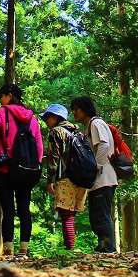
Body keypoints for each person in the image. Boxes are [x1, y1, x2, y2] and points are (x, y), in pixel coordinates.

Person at [0, 82, 43, 257]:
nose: (0, 100)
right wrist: (34, 164)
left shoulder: (2, 112)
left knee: (8, 210)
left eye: (1, 96)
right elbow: (39, 146)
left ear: (9, 95)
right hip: (26, 170)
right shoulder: (32, 118)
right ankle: (24, 249)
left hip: (5, 169)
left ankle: (8, 250)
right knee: (24, 209)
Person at [70, 96, 117, 253]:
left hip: (103, 178)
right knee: (97, 215)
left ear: (85, 109)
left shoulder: (96, 123)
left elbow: (104, 145)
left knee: (101, 216)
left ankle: (108, 249)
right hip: (101, 179)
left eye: (77, 109)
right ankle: (104, 246)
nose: (75, 113)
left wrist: (95, 167)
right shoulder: (91, 125)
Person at [41, 103, 89, 250]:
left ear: (55, 118)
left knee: (66, 214)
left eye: (47, 118)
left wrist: (50, 181)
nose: (46, 122)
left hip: (66, 177)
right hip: (83, 177)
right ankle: (71, 248)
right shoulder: (78, 132)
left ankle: (70, 251)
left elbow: (53, 157)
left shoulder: (56, 132)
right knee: (71, 213)